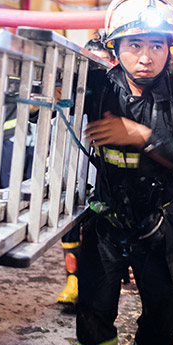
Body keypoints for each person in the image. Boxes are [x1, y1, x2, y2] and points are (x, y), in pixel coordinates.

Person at [76, 0, 173, 345]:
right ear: (115, 46)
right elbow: (44, 109)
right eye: (135, 44)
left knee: (165, 320)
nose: (146, 58)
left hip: (164, 224)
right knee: (92, 314)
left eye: (157, 46)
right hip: (107, 220)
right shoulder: (98, 88)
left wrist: (143, 136)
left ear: (170, 49)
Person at [57, 32, 116, 308]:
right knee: (68, 226)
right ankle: (73, 280)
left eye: (103, 64)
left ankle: (96, 279)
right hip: (72, 166)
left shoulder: (118, 93)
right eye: (93, 65)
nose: (97, 72)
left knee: (95, 228)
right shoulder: (74, 87)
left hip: (102, 173)